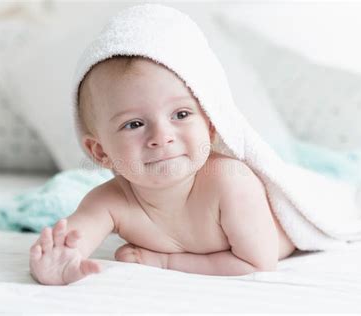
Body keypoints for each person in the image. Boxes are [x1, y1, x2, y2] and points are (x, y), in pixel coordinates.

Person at [29, 6, 296, 286]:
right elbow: (67, 244)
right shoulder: (111, 201)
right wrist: (54, 264)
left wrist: (163, 261)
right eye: (134, 124)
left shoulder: (231, 183)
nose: (161, 136)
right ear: (101, 152)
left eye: (181, 115)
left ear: (210, 126)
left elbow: (257, 263)